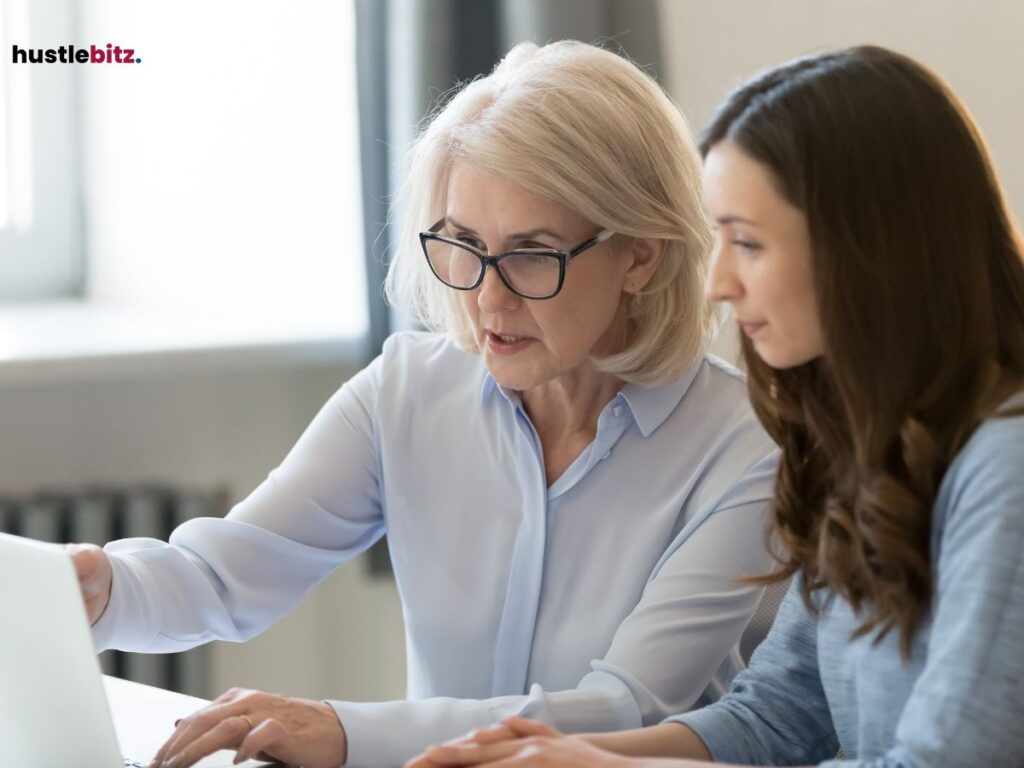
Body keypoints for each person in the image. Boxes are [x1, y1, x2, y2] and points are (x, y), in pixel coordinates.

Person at [66, 41, 779, 768]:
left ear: (641, 254)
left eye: (532, 253)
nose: (486, 298)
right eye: (464, 244)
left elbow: (625, 707)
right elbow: (225, 573)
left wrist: (343, 732)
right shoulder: (407, 391)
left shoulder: (746, 449)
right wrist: (102, 587)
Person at [413, 45, 1024, 768]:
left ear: (868, 250)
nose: (718, 284)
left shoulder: (1005, 459)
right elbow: (776, 718)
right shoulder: (863, 453)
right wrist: (561, 754)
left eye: (747, 243)